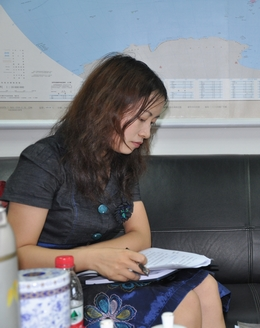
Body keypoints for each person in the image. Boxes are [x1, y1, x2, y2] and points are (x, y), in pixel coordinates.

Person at [2, 53, 230, 328]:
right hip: (54, 287)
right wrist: (90, 259)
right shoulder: (44, 160)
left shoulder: (121, 162)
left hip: (99, 275)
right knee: (184, 303)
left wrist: (102, 258)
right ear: (105, 106)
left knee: (206, 285)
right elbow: (17, 255)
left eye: (153, 122)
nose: (146, 132)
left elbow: (141, 234)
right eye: (142, 119)